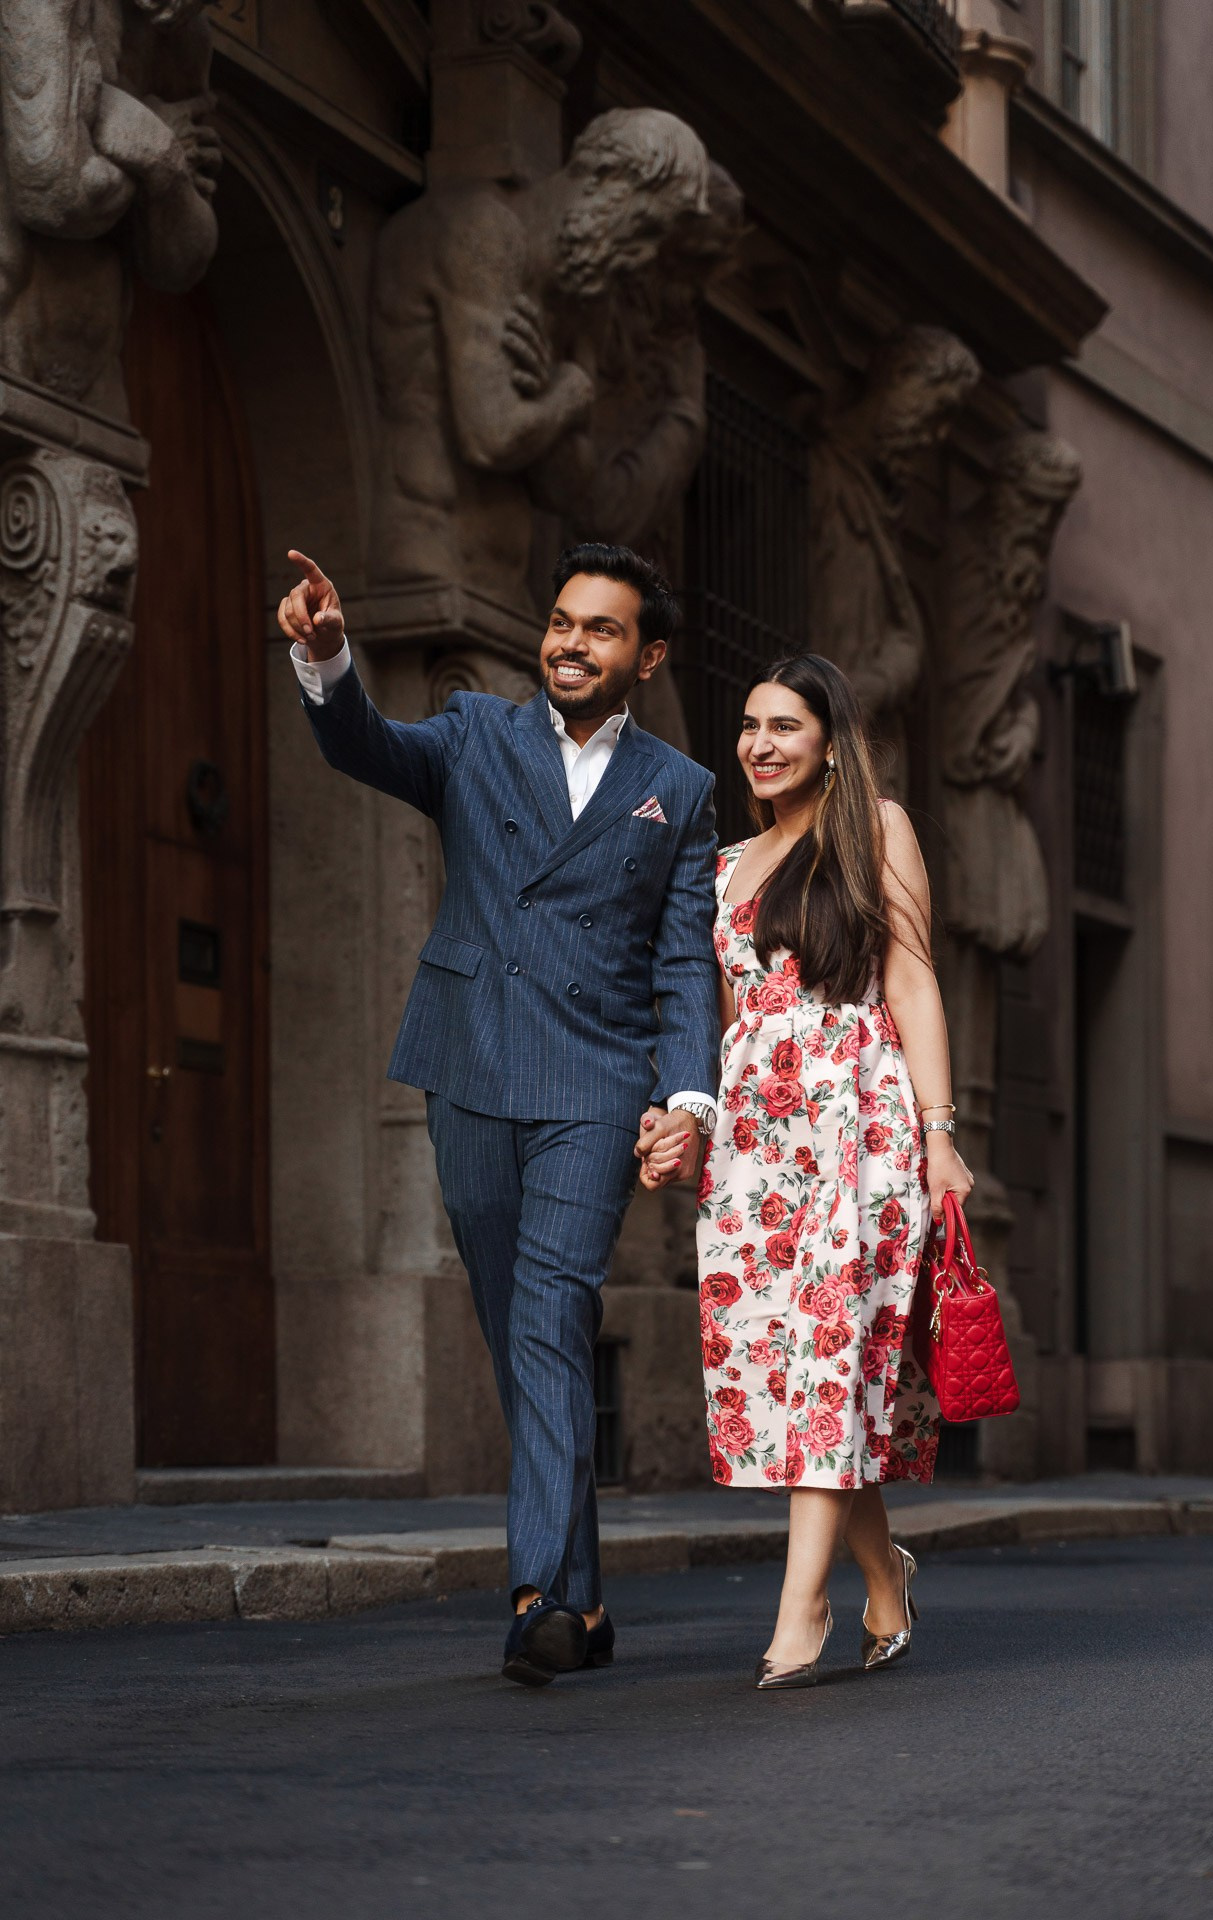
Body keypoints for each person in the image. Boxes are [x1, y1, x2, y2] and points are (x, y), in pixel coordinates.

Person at [280, 542, 720, 1686]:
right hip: (469, 1064)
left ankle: (538, 1596)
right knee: (520, 1330)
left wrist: (686, 1099)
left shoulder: (678, 789)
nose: (571, 642)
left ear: (646, 654)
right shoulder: (474, 732)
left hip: (594, 1081)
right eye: (562, 622)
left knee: (548, 1312)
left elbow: (682, 965)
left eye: (602, 630)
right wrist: (329, 660)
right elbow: (366, 748)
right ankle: (583, 1598)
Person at [639, 652, 973, 1688]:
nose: (760, 744)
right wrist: (682, 1122)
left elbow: (911, 985)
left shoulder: (875, 828)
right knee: (788, 1380)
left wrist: (938, 1132)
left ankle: (801, 1609)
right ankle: (884, 1577)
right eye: (748, 725)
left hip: (856, 1130)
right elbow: (721, 1020)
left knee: (831, 1362)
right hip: (752, 1150)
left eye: (784, 725)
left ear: (829, 741)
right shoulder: (722, 864)